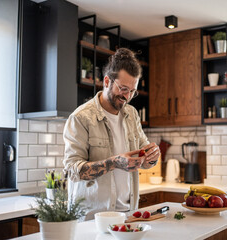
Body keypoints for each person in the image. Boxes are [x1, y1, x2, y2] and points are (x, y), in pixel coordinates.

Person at [63, 48, 160, 220]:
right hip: (92, 217)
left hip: (128, 213)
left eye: (132, 91)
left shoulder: (132, 114)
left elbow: (143, 158)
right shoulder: (80, 118)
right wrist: (114, 163)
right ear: (107, 81)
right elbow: (72, 171)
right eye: (123, 89)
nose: (127, 96)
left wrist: (152, 156)